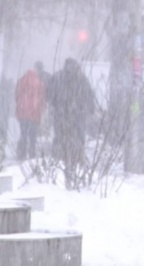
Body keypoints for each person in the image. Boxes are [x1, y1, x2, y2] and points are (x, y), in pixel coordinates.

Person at [48, 58, 95, 189]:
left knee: (60, 139)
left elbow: (49, 95)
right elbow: (90, 97)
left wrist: (56, 106)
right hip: (77, 118)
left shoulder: (57, 77)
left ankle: (59, 164)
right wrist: (88, 109)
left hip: (61, 117)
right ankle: (77, 163)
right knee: (78, 140)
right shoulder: (81, 79)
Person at [15, 68, 46, 160]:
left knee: (23, 133)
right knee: (33, 134)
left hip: (22, 112)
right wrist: (42, 109)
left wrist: (19, 107)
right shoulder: (40, 83)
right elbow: (42, 98)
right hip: (34, 113)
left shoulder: (21, 82)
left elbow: (16, 96)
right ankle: (32, 152)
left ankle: (22, 153)